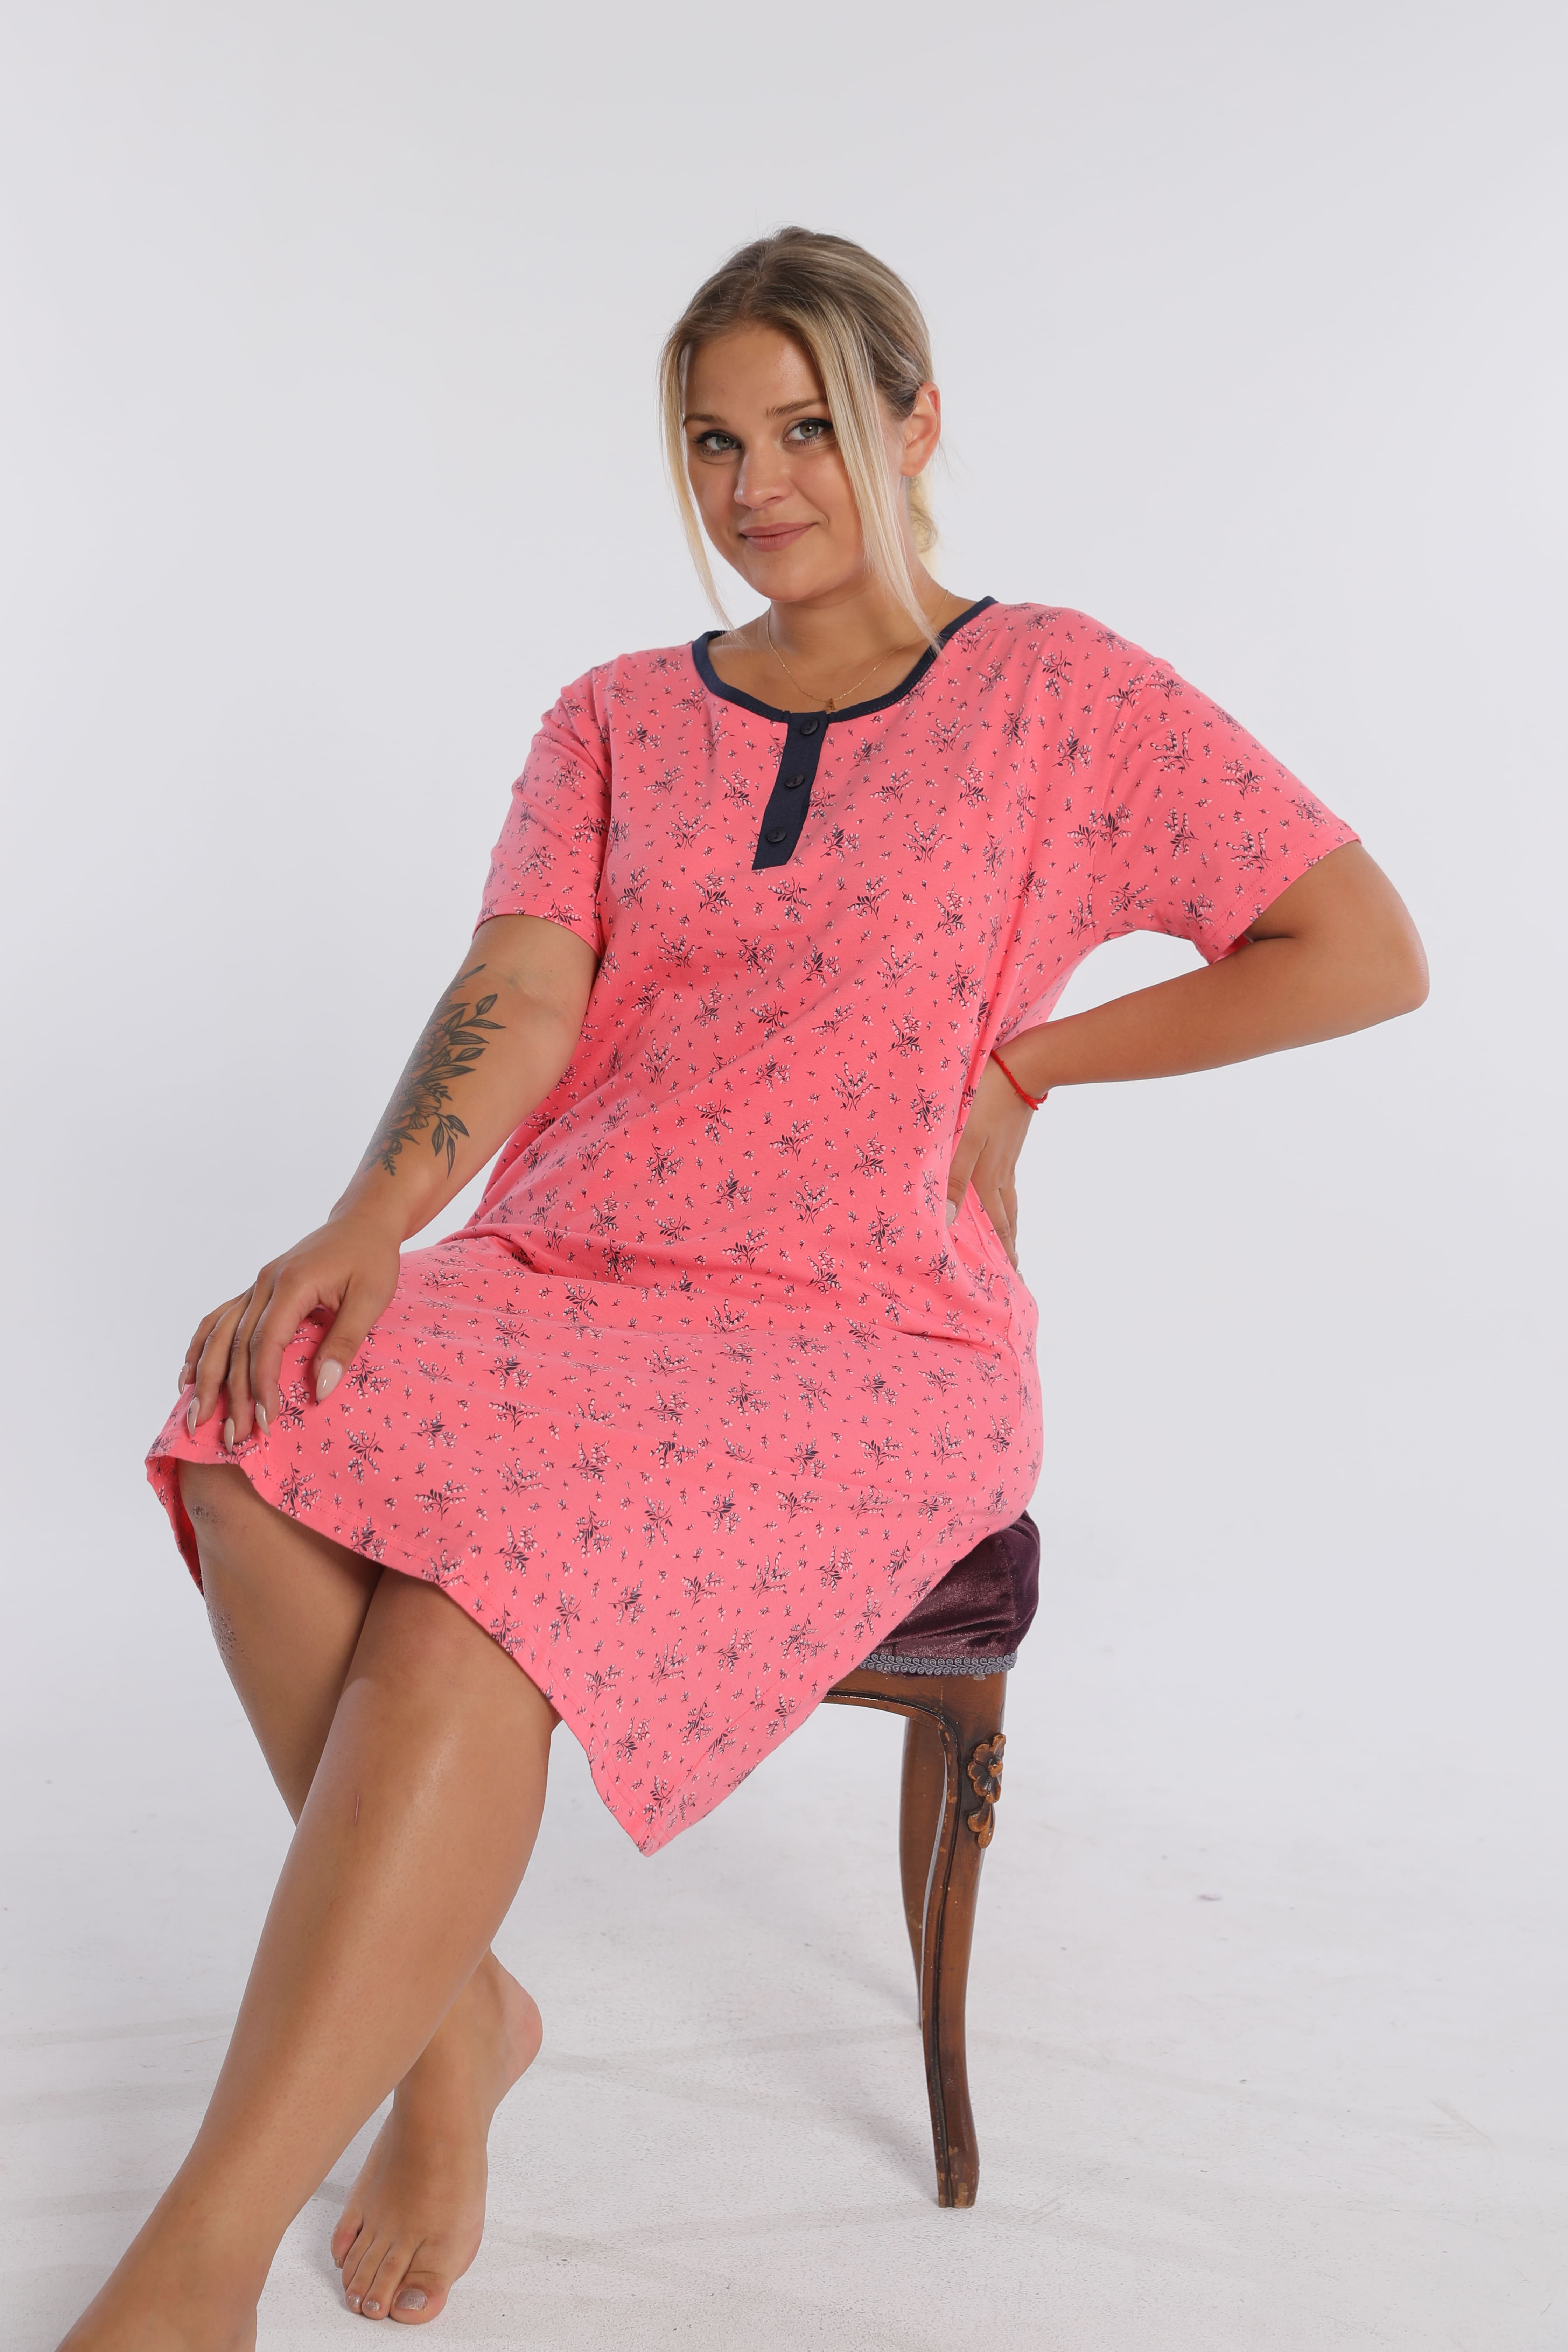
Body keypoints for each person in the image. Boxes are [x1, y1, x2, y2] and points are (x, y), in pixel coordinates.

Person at [60, 226, 1427, 2346]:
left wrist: (1035, 1063)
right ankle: (451, 2024)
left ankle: (194, 2262)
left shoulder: (1063, 694)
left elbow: (1360, 948)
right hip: (576, 1262)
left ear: (915, 424)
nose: (756, 484)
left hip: (873, 1327)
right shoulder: (614, 719)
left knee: (485, 1581)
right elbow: (521, 988)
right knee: (246, 1421)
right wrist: (364, 1222)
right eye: (713, 442)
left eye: (805, 429)